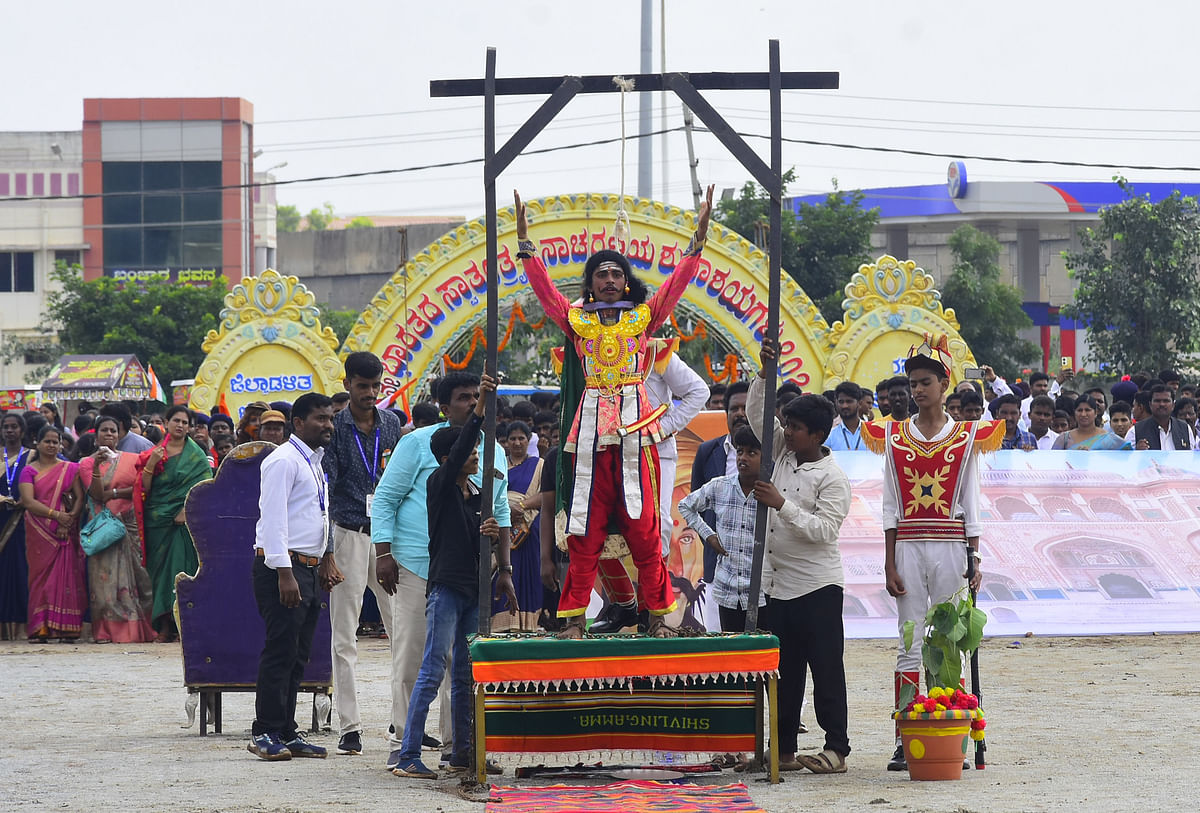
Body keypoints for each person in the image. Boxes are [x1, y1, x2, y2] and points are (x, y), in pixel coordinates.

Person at [513, 184, 714, 638]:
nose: (608, 280)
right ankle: (572, 622)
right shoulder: (577, 321)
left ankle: (661, 617)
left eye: (616, 274)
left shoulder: (645, 319)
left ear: (626, 282)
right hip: (588, 440)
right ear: (590, 284)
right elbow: (545, 293)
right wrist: (527, 248)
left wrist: (696, 244)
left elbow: (675, 288)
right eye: (600, 274)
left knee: (644, 531)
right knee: (584, 534)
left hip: (635, 438)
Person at [862, 334, 1003, 773]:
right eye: (912, 382)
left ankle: (949, 729)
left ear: (944, 384)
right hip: (906, 544)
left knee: (947, 640)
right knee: (908, 641)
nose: (917, 390)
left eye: (925, 382)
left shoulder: (965, 438)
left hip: (949, 543)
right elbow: (889, 503)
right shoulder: (892, 435)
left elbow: (971, 500)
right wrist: (887, 560)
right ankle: (906, 738)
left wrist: (975, 558)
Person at [373, 371, 510, 771]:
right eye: (463, 398)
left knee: (465, 669)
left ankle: (460, 747)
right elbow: (385, 498)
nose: (470, 403)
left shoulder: (489, 454)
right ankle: (405, 746)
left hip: (471, 578)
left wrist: (504, 565)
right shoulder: (426, 451)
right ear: (445, 407)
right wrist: (384, 554)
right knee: (419, 661)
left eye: (475, 397)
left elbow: (496, 511)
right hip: (419, 569)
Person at [749, 338, 853, 774]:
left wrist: (781, 505)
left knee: (826, 671)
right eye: (785, 424)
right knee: (784, 675)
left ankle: (836, 751)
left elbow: (824, 531)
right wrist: (763, 374)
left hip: (819, 587)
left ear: (818, 435)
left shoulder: (833, 477)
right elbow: (756, 416)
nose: (785, 431)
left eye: (794, 427)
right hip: (779, 586)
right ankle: (785, 752)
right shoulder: (781, 453)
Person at [248, 392, 340, 761]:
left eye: (331, 418)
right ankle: (265, 732)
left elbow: (318, 515)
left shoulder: (314, 462)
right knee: (280, 650)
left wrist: (326, 559)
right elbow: (273, 520)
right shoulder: (283, 460)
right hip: (282, 568)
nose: (329, 425)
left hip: (308, 566)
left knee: (298, 654)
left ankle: (286, 729)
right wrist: (284, 572)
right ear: (298, 424)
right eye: (320, 419)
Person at [322, 351, 405, 757]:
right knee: (345, 633)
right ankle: (350, 726)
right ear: (348, 384)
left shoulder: (393, 424)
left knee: (402, 628)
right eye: (362, 386)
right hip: (348, 532)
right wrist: (326, 550)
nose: (370, 393)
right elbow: (326, 488)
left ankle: (402, 720)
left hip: (388, 537)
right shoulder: (335, 428)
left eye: (376, 386)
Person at [135, 405, 213, 642]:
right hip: (157, 521)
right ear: (166, 423)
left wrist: (185, 510)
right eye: (176, 420)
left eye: (185, 422)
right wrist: (151, 465)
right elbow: (144, 490)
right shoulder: (155, 452)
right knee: (159, 576)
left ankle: (180, 626)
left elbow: (204, 486)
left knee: (181, 571)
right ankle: (162, 625)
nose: (180, 425)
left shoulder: (196, 455)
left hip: (183, 522)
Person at [677, 424, 763, 633]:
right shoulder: (719, 486)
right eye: (739, 451)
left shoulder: (771, 492)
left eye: (751, 453)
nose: (743, 458)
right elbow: (685, 506)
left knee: (761, 651)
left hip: (761, 592)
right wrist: (709, 536)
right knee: (730, 647)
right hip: (726, 589)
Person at [78, 415, 155, 643]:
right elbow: (96, 494)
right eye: (104, 430)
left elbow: (140, 489)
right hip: (103, 529)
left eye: (113, 431)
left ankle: (138, 629)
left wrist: (115, 494)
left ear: (119, 435)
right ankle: (106, 631)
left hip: (130, 525)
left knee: (140, 579)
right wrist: (97, 469)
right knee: (104, 582)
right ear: (96, 435)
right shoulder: (86, 463)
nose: (109, 434)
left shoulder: (132, 459)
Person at [18, 425, 86, 642]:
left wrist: (69, 520)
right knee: (39, 580)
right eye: (47, 441)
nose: (51, 445)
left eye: (55, 441)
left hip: (65, 530)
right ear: (37, 443)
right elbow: (28, 501)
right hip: (39, 530)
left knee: (66, 577)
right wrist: (56, 515)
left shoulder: (70, 468)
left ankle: (67, 629)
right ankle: (40, 629)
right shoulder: (29, 471)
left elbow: (79, 499)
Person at [692, 381, 750, 586]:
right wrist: (711, 540)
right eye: (734, 409)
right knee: (718, 619)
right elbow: (695, 507)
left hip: (757, 566)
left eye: (745, 408)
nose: (740, 414)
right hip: (718, 566)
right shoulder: (707, 452)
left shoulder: (772, 454)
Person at [492, 420, 542, 632]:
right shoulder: (498, 464)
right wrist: (505, 511)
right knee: (501, 571)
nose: (517, 442)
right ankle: (502, 623)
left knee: (526, 572)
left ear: (528, 440)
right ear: (506, 442)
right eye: (512, 438)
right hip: (502, 526)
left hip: (528, 527)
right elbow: (491, 492)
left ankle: (527, 623)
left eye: (521, 438)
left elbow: (546, 495)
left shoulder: (538, 465)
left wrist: (521, 505)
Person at [1, 413, 31, 640]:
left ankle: (23, 627)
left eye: (14, 427)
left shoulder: (32, 456)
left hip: (25, 523)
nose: (10, 431)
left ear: (22, 430)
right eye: (6, 427)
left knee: (22, 572)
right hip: (2, 522)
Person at [1126, 384, 1196, 450]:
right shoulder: (1135, 431)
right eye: (1157, 401)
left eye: (1166, 401)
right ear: (1150, 404)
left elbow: (1191, 458)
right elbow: (1127, 459)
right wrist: (1137, 452)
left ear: (1173, 405)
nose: (1162, 404)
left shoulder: (1185, 429)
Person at [826, 382, 866, 451]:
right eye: (841, 402)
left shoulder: (871, 433)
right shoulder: (830, 436)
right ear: (836, 403)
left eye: (849, 401)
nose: (844, 406)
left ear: (859, 403)